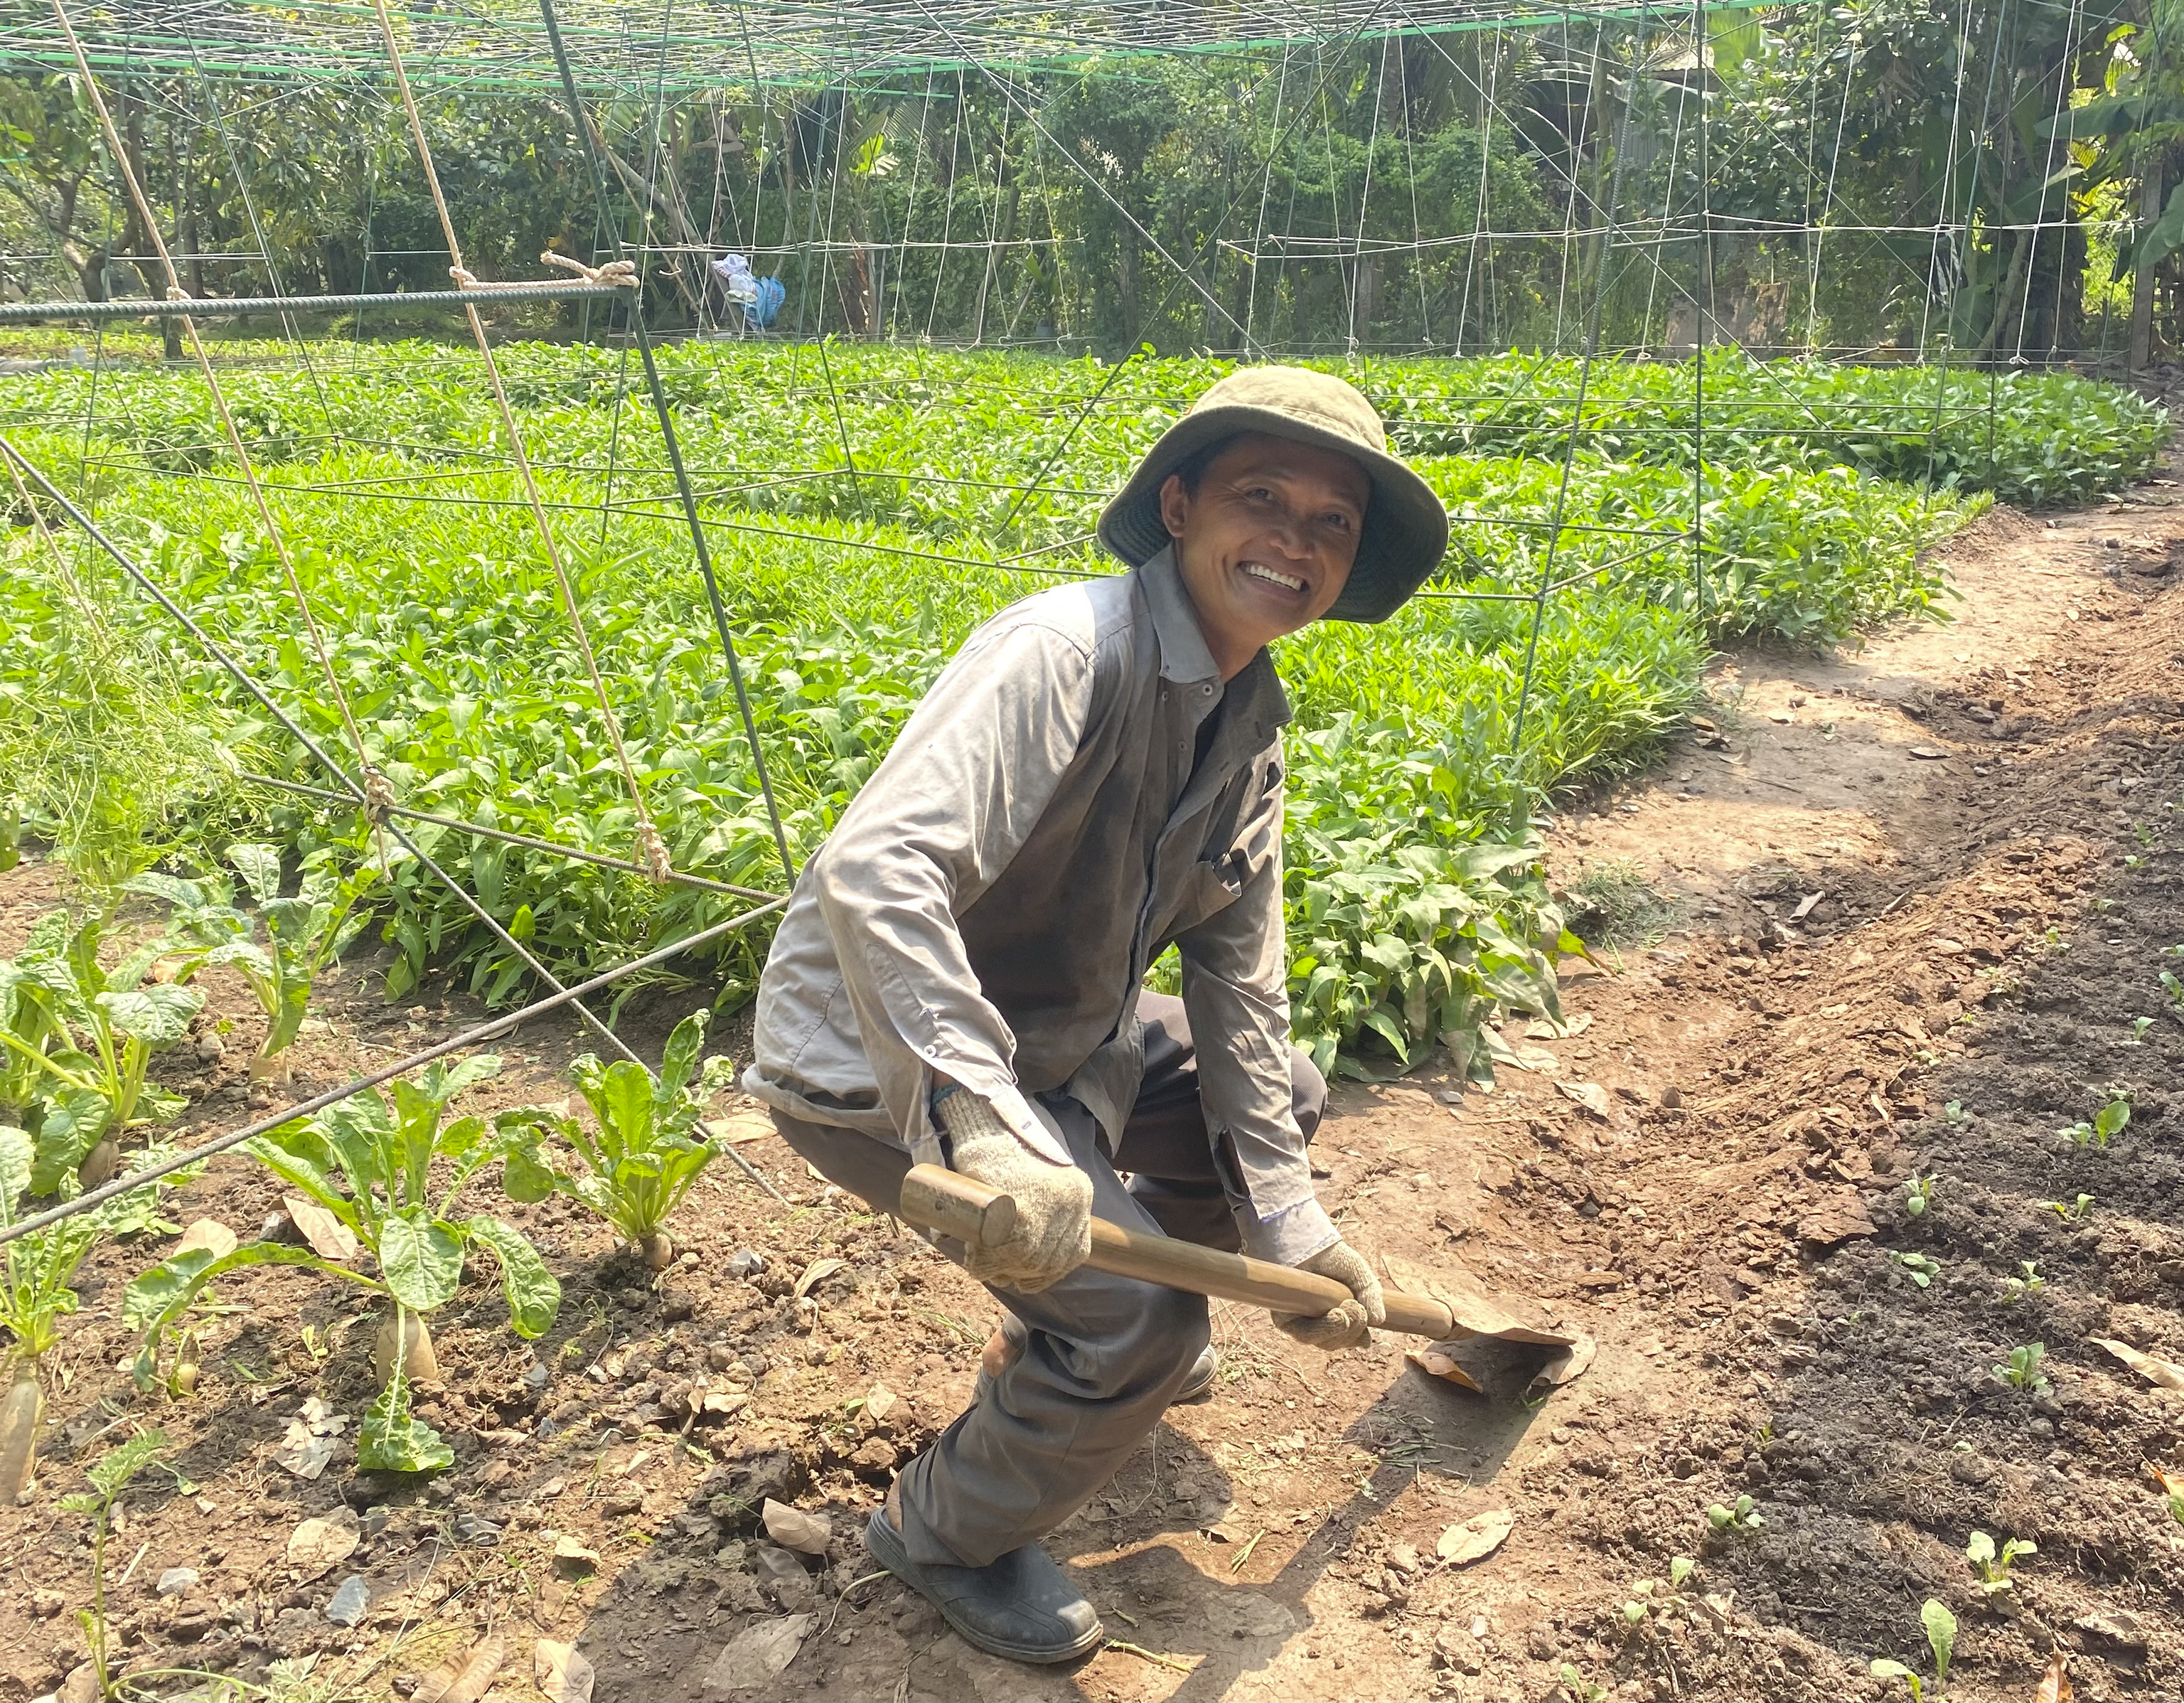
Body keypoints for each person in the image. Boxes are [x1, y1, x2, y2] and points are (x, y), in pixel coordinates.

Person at [743, 365, 1450, 1665]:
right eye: (1262, 498)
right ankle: (942, 1527)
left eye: (1332, 522)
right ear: (1179, 508)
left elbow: (1239, 986)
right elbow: (877, 870)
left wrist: (1294, 1229)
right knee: (1145, 1317)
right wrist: (981, 1120)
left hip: (1065, 1045)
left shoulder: (1249, 721)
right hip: (876, 1061)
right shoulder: (1065, 653)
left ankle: (1079, 1312)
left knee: (1276, 1096)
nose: (1295, 540)